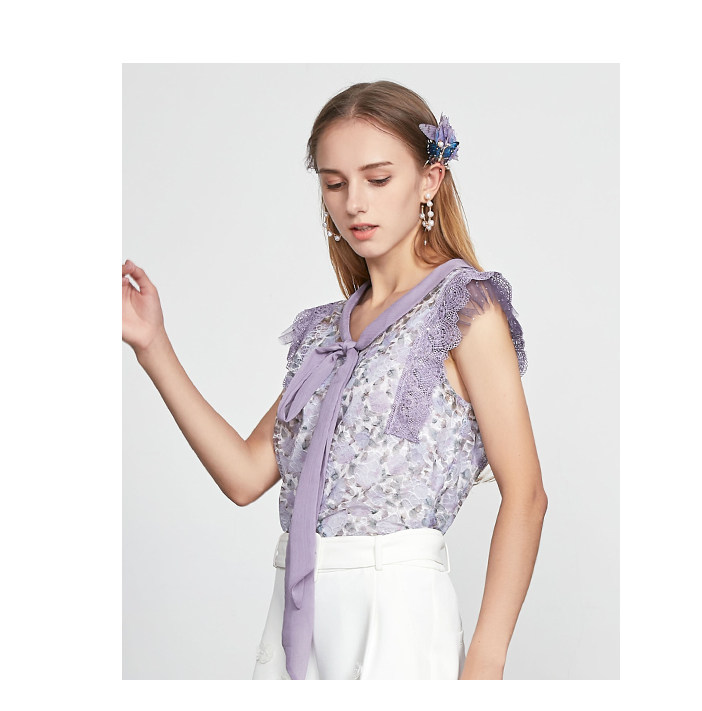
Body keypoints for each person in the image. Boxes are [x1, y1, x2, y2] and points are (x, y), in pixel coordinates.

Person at [122, 80, 547, 681]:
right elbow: (245, 476)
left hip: (396, 608)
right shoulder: (327, 333)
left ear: (430, 179)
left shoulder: (465, 309)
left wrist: (486, 659)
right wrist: (152, 345)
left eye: (378, 179)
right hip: (297, 607)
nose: (355, 204)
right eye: (334, 183)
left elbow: (526, 494)